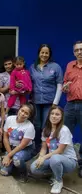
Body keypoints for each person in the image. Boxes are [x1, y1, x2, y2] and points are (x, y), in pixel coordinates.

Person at [30, 106, 77, 194]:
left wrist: (44, 158)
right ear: (49, 116)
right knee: (34, 168)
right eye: (52, 114)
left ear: (61, 117)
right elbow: (44, 148)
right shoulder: (45, 130)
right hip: (53, 159)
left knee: (55, 158)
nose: (54, 116)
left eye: (57, 114)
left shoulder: (64, 130)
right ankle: (55, 173)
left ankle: (58, 181)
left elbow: (60, 151)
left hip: (69, 161)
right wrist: (40, 157)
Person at [30, 44, 63, 152]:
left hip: (50, 102)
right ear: (39, 53)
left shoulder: (55, 67)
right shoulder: (32, 67)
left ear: (49, 54)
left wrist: (55, 102)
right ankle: (37, 148)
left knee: (46, 125)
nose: (44, 55)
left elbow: (59, 85)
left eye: (46, 53)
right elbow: (29, 83)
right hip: (36, 101)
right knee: (36, 125)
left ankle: (48, 149)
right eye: (42, 52)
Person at [0, 103, 36, 182]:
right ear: (19, 109)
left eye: (26, 113)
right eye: (22, 110)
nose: (23, 114)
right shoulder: (9, 119)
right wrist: (9, 156)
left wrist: (8, 156)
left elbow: (22, 146)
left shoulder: (30, 126)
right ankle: (14, 166)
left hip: (25, 149)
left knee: (17, 159)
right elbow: (5, 137)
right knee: (4, 172)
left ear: (29, 116)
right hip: (11, 147)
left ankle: (24, 174)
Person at [63, 40, 82, 177]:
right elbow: (65, 83)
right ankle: (65, 161)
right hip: (70, 104)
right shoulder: (70, 65)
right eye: (77, 50)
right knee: (64, 133)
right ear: (73, 52)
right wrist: (65, 87)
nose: (79, 52)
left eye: (81, 50)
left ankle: (81, 165)